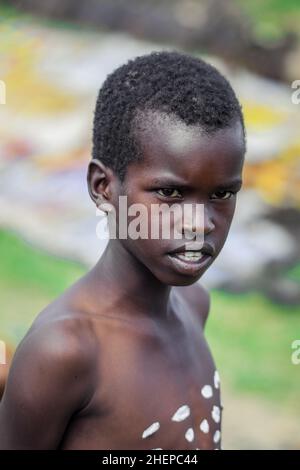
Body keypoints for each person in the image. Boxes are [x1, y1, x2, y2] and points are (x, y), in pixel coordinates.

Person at [0, 51, 246, 450]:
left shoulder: (194, 304)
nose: (200, 223)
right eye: (169, 192)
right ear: (103, 187)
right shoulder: (66, 350)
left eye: (222, 193)